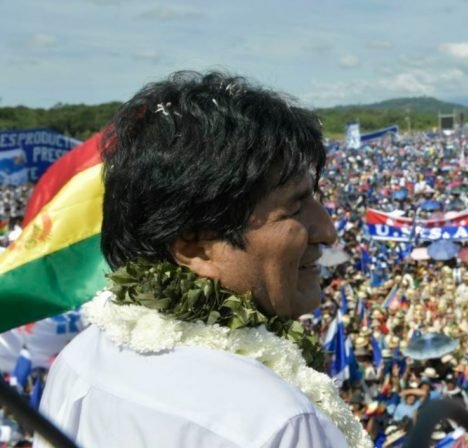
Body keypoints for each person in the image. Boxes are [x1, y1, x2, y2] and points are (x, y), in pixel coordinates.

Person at [37, 72, 370, 448]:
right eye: (294, 209)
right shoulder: (279, 421)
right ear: (195, 247)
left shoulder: (78, 362)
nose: (327, 231)